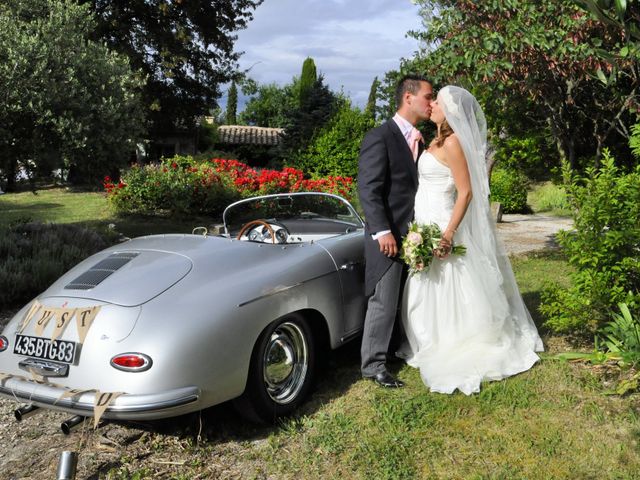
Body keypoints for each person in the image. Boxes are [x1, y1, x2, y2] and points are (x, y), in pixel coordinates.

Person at [400, 86, 544, 395]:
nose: (432, 104)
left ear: (450, 112)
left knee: (452, 278)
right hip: (424, 220)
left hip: (442, 222)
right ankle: (429, 338)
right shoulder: (436, 139)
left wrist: (449, 232)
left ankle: (455, 339)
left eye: (437, 101)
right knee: (427, 282)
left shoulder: (453, 143)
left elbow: (465, 192)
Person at [357, 74, 433, 388]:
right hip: (387, 236)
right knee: (383, 301)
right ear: (408, 98)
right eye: (428, 96)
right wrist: (382, 231)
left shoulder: (418, 138)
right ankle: (373, 366)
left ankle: (395, 349)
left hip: (412, 234)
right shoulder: (380, 136)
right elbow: (369, 188)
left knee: (405, 299)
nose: (432, 102)